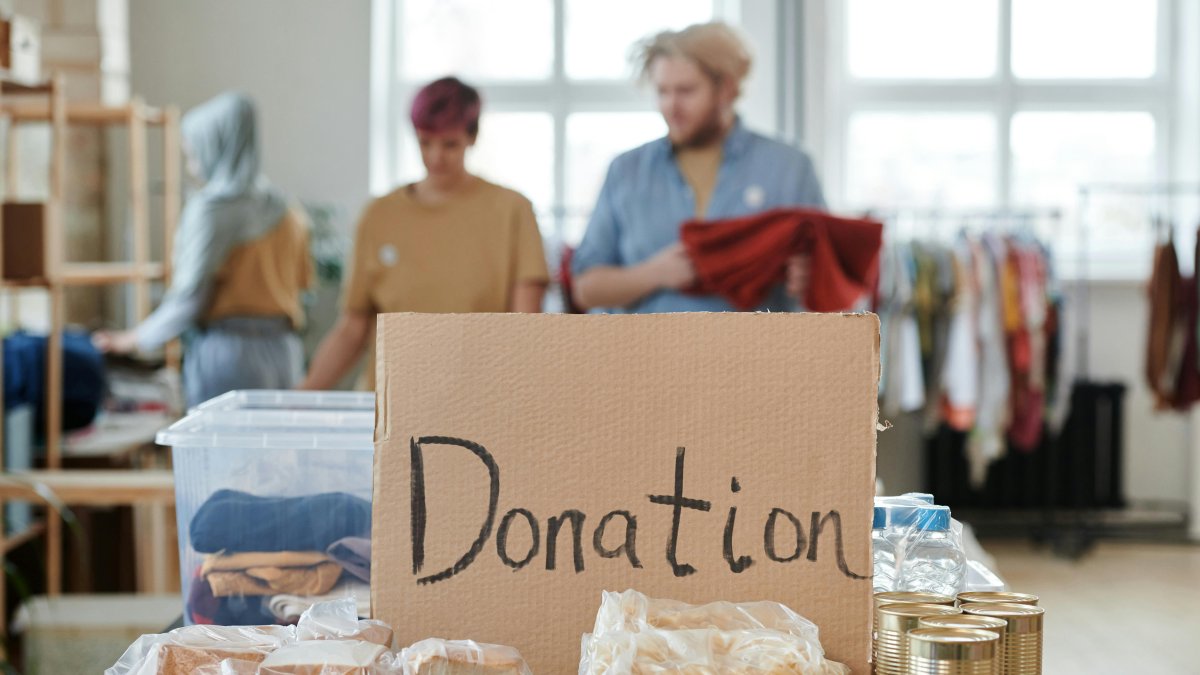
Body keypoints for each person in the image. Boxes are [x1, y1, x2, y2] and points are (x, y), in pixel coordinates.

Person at [300, 77, 549, 390]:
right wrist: (304, 393)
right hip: (390, 404)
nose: (435, 157)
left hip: (477, 402)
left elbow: (523, 329)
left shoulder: (512, 211)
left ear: (472, 137)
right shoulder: (379, 215)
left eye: (450, 144)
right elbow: (353, 328)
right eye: (425, 142)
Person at [571, 22, 826, 313]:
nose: (671, 105)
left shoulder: (789, 168)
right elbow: (586, 288)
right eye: (662, 91)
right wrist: (655, 273)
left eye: (686, 91)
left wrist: (811, 277)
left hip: (758, 354)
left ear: (727, 89)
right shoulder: (626, 171)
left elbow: (831, 281)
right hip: (645, 355)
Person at [95, 92, 312, 407]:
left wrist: (132, 340)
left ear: (217, 147)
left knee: (227, 453)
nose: (193, 168)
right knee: (278, 452)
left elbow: (190, 300)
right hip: (284, 355)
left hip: (229, 359)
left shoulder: (213, 210)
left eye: (195, 154)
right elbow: (303, 284)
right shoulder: (288, 211)